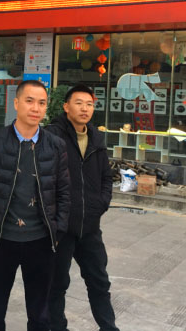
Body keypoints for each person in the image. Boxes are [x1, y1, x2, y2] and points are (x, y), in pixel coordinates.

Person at [0, 79, 71, 331]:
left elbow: (63, 191)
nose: (36, 108)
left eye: (42, 103)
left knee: (40, 315)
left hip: (41, 240)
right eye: (29, 101)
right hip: (0, 239)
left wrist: (58, 230)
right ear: (16, 103)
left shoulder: (55, 145)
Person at [45, 83, 119, 331]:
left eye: (89, 104)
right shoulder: (52, 136)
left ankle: (109, 327)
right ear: (66, 107)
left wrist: (101, 203)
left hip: (89, 228)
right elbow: (42, 178)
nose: (85, 108)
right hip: (61, 229)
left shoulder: (96, 137)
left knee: (99, 282)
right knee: (56, 285)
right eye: (79, 103)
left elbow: (106, 177)